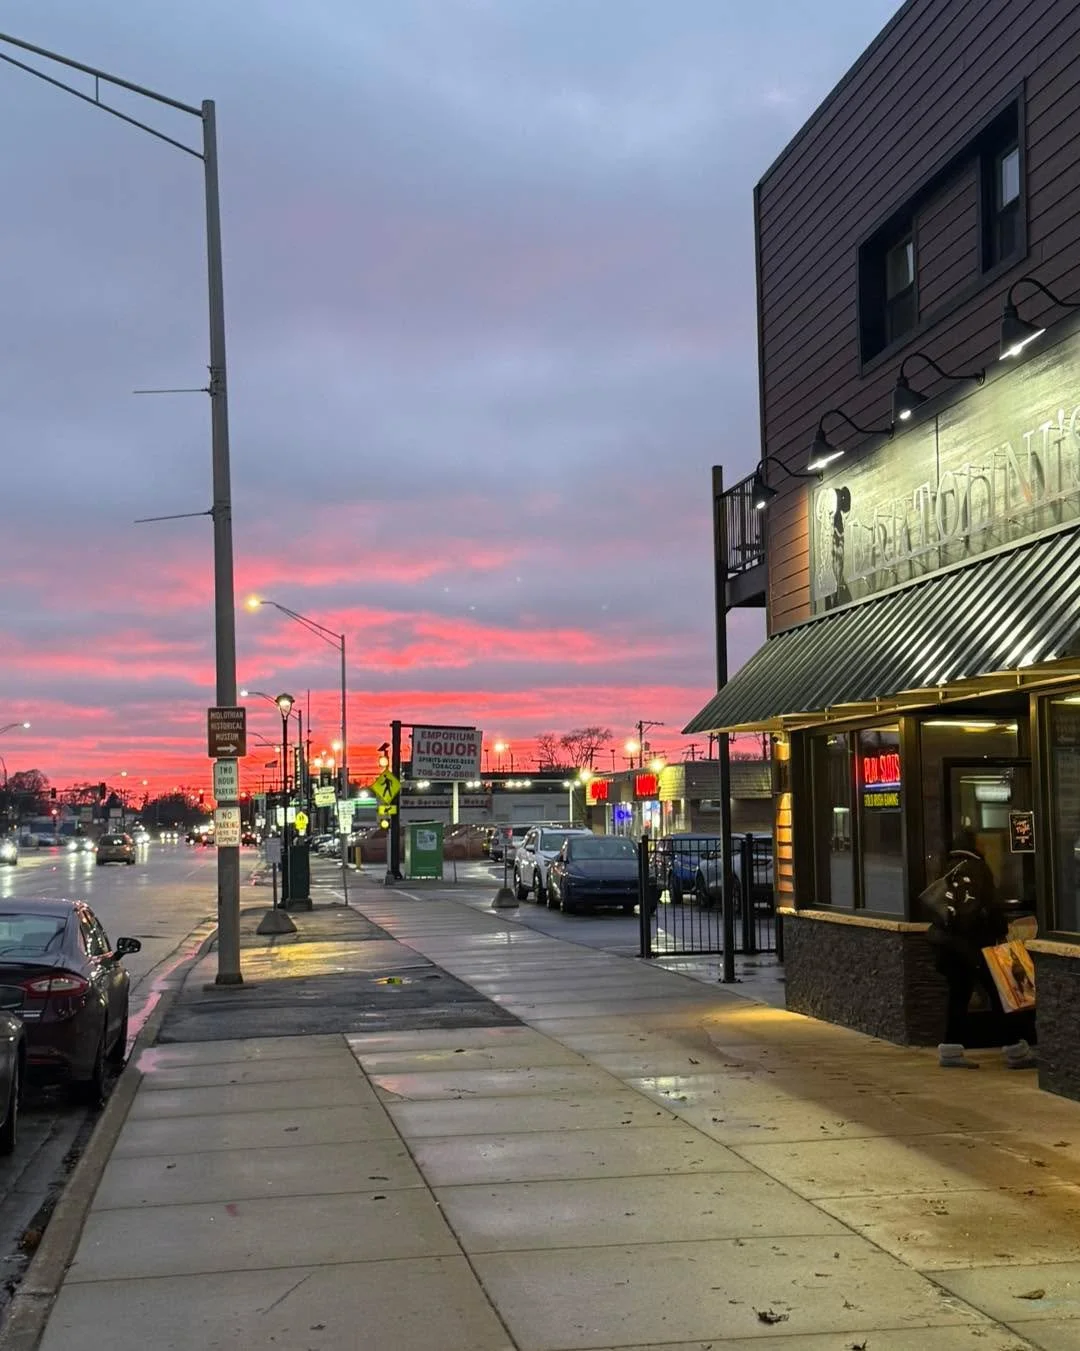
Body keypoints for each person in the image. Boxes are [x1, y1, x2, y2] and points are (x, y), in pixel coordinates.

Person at [924, 833, 1012, 1067]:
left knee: (959, 996)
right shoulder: (977, 868)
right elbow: (989, 906)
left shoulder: (948, 868)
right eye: (981, 842)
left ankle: (950, 1051)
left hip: (947, 945)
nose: (985, 845)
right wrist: (1001, 929)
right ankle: (1016, 1048)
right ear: (974, 845)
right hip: (972, 946)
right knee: (1001, 993)